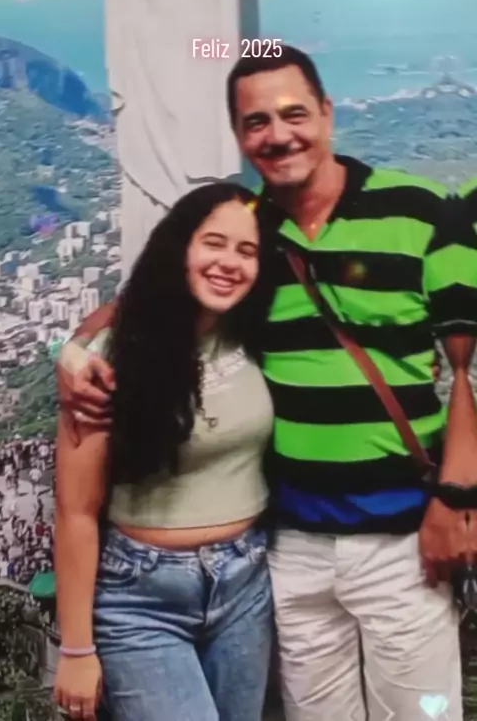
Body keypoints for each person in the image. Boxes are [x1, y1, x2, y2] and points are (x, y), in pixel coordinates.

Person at [59, 46, 477, 721]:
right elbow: (146, 299)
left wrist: (456, 499)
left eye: (294, 114)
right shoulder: (248, 228)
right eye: (257, 121)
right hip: (289, 549)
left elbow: (462, 367)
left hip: (404, 541)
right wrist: (72, 350)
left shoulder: (420, 209)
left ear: (327, 113)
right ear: (239, 134)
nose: (278, 134)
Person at [53, 182, 277, 721]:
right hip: (141, 598)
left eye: (246, 251)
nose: (229, 262)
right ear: (180, 248)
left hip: (247, 587)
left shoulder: (255, 335)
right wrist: (77, 649)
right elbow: (75, 511)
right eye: (213, 243)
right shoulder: (112, 359)